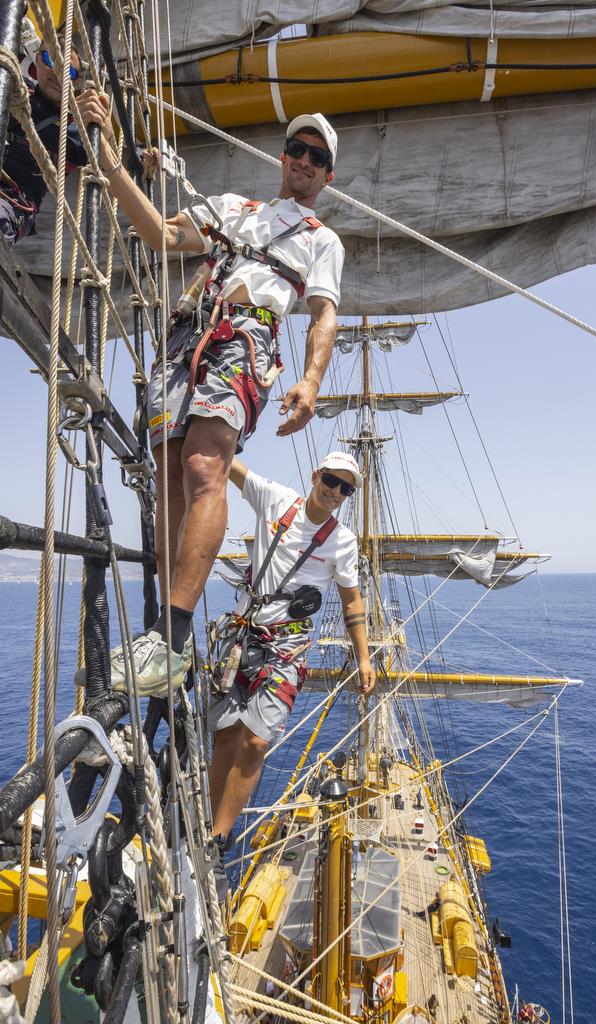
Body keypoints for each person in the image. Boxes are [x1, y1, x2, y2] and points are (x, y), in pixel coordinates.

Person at [79, 93, 345, 695]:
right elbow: (159, 233)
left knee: (205, 461)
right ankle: (164, 642)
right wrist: (109, 158)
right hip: (186, 331)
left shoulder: (322, 240)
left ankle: (171, 636)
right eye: (297, 149)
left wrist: (311, 378)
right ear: (283, 157)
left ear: (328, 175)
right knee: (172, 472)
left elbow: (324, 313)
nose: (304, 160)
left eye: (317, 157)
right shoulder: (234, 208)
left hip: (247, 337)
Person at [207, 451, 375, 848]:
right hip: (243, 634)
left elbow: (352, 602)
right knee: (225, 735)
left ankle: (219, 835)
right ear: (316, 474)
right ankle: (208, 824)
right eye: (331, 481)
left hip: (287, 645)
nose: (336, 492)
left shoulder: (342, 542)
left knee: (257, 740)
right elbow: (229, 463)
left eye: (345, 488)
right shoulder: (277, 499)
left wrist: (364, 657)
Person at [1, 39, 89, 245]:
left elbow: (95, 157)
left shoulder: (75, 129)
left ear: (74, 83)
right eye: (51, 60)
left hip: (13, 201)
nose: (59, 74)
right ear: (38, 60)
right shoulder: (16, 89)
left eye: (70, 72)